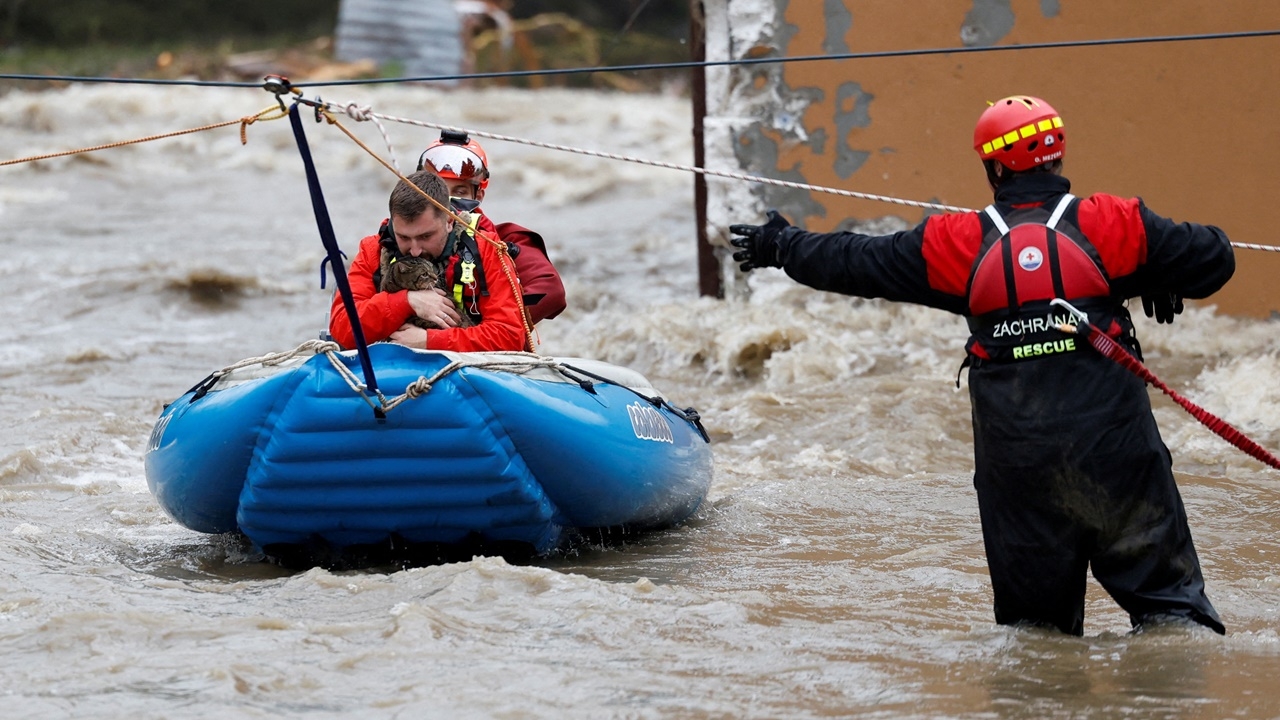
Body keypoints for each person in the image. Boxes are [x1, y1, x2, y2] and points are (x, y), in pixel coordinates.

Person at [729, 95, 1235, 636]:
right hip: (1118, 457)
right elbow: (1216, 256)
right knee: (1174, 619)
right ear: (1056, 157)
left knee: (1035, 638)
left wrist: (780, 244)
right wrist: (1154, 275)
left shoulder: (955, 242)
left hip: (1019, 469)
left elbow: (856, 261)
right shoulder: (1116, 222)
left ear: (994, 167)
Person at [328, 170, 529, 352]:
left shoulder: (487, 249)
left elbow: (509, 336)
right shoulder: (373, 250)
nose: (414, 251)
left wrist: (429, 340)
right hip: (392, 372)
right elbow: (343, 328)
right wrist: (405, 302)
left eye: (425, 237)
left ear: (449, 222)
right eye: (404, 237)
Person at [417, 130, 567, 326]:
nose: (448, 202)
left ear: (478, 196)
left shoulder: (508, 240)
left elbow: (551, 292)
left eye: (460, 191)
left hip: (481, 345)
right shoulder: (402, 237)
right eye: (440, 190)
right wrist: (404, 302)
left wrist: (491, 327)